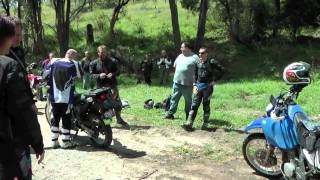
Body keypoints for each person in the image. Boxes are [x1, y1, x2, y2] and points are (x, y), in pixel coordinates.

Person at [0, 16, 44, 179]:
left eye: (20, 34)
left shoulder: (19, 52)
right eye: (14, 34)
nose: (17, 38)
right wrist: (37, 143)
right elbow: (21, 109)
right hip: (11, 135)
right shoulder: (7, 62)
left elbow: (24, 81)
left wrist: (31, 100)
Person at [43, 49, 81, 149]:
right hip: (66, 97)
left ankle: (54, 141)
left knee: (55, 118)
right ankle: (65, 141)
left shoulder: (53, 61)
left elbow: (45, 74)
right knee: (66, 118)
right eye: (75, 55)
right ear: (73, 55)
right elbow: (79, 76)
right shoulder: (74, 64)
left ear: (66, 53)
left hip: (54, 96)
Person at [182, 47, 225, 131]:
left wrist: (215, 80)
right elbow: (194, 74)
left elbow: (222, 70)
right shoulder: (197, 62)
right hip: (198, 87)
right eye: (199, 53)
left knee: (206, 105)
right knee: (194, 105)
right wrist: (194, 84)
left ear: (206, 54)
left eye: (202, 53)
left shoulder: (211, 62)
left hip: (208, 88)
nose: (200, 55)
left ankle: (205, 124)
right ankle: (189, 123)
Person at [90, 45, 128, 126]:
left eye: (104, 52)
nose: (103, 54)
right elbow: (91, 75)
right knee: (103, 105)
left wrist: (113, 74)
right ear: (98, 53)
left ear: (106, 52)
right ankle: (107, 123)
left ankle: (119, 119)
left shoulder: (113, 61)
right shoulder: (93, 63)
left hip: (112, 86)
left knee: (117, 104)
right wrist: (99, 75)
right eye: (101, 52)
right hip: (100, 88)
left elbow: (118, 72)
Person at [164, 42, 199, 120]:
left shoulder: (195, 57)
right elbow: (175, 66)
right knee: (174, 98)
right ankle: (170, 114)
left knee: (188, 101)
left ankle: (188, 115)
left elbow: (199, 69)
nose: (181, 49)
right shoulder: (180, 56)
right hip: (177, 83)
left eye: (182, 47)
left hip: (188, 84)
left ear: (187, 48)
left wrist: (196, 82)